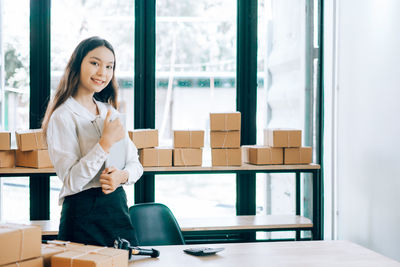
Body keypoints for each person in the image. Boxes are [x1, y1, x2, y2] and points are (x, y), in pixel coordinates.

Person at [41, 36, 143, 247]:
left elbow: (136, 164)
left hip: (117, 210)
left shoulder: (109, 111)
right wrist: (104, 144)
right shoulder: (63, 116)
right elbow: (72, 181)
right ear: (77, 63)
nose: (102, 73)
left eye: (109, 66)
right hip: (81, 217)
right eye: (94, 63)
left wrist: (122, 176)